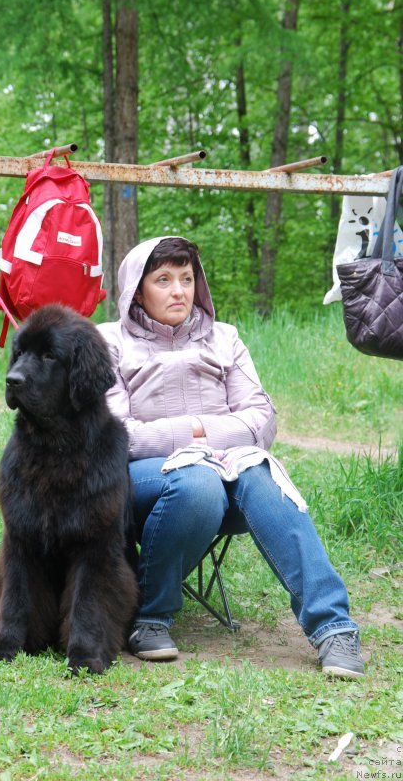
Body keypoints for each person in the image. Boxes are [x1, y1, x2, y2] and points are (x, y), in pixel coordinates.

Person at [97, 236, 365, 679]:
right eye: (163, 280)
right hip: (142, 484)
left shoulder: (225, 339)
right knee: (197, 480)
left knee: (263, 475)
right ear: (137, 290)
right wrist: (195, 436)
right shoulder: (110, 342)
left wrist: (202, 437)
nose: (179, 291)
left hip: (228, 471)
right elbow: (115, 435)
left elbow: (261, 420)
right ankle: (151, 616)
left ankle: (333, 626)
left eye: (186, 279)